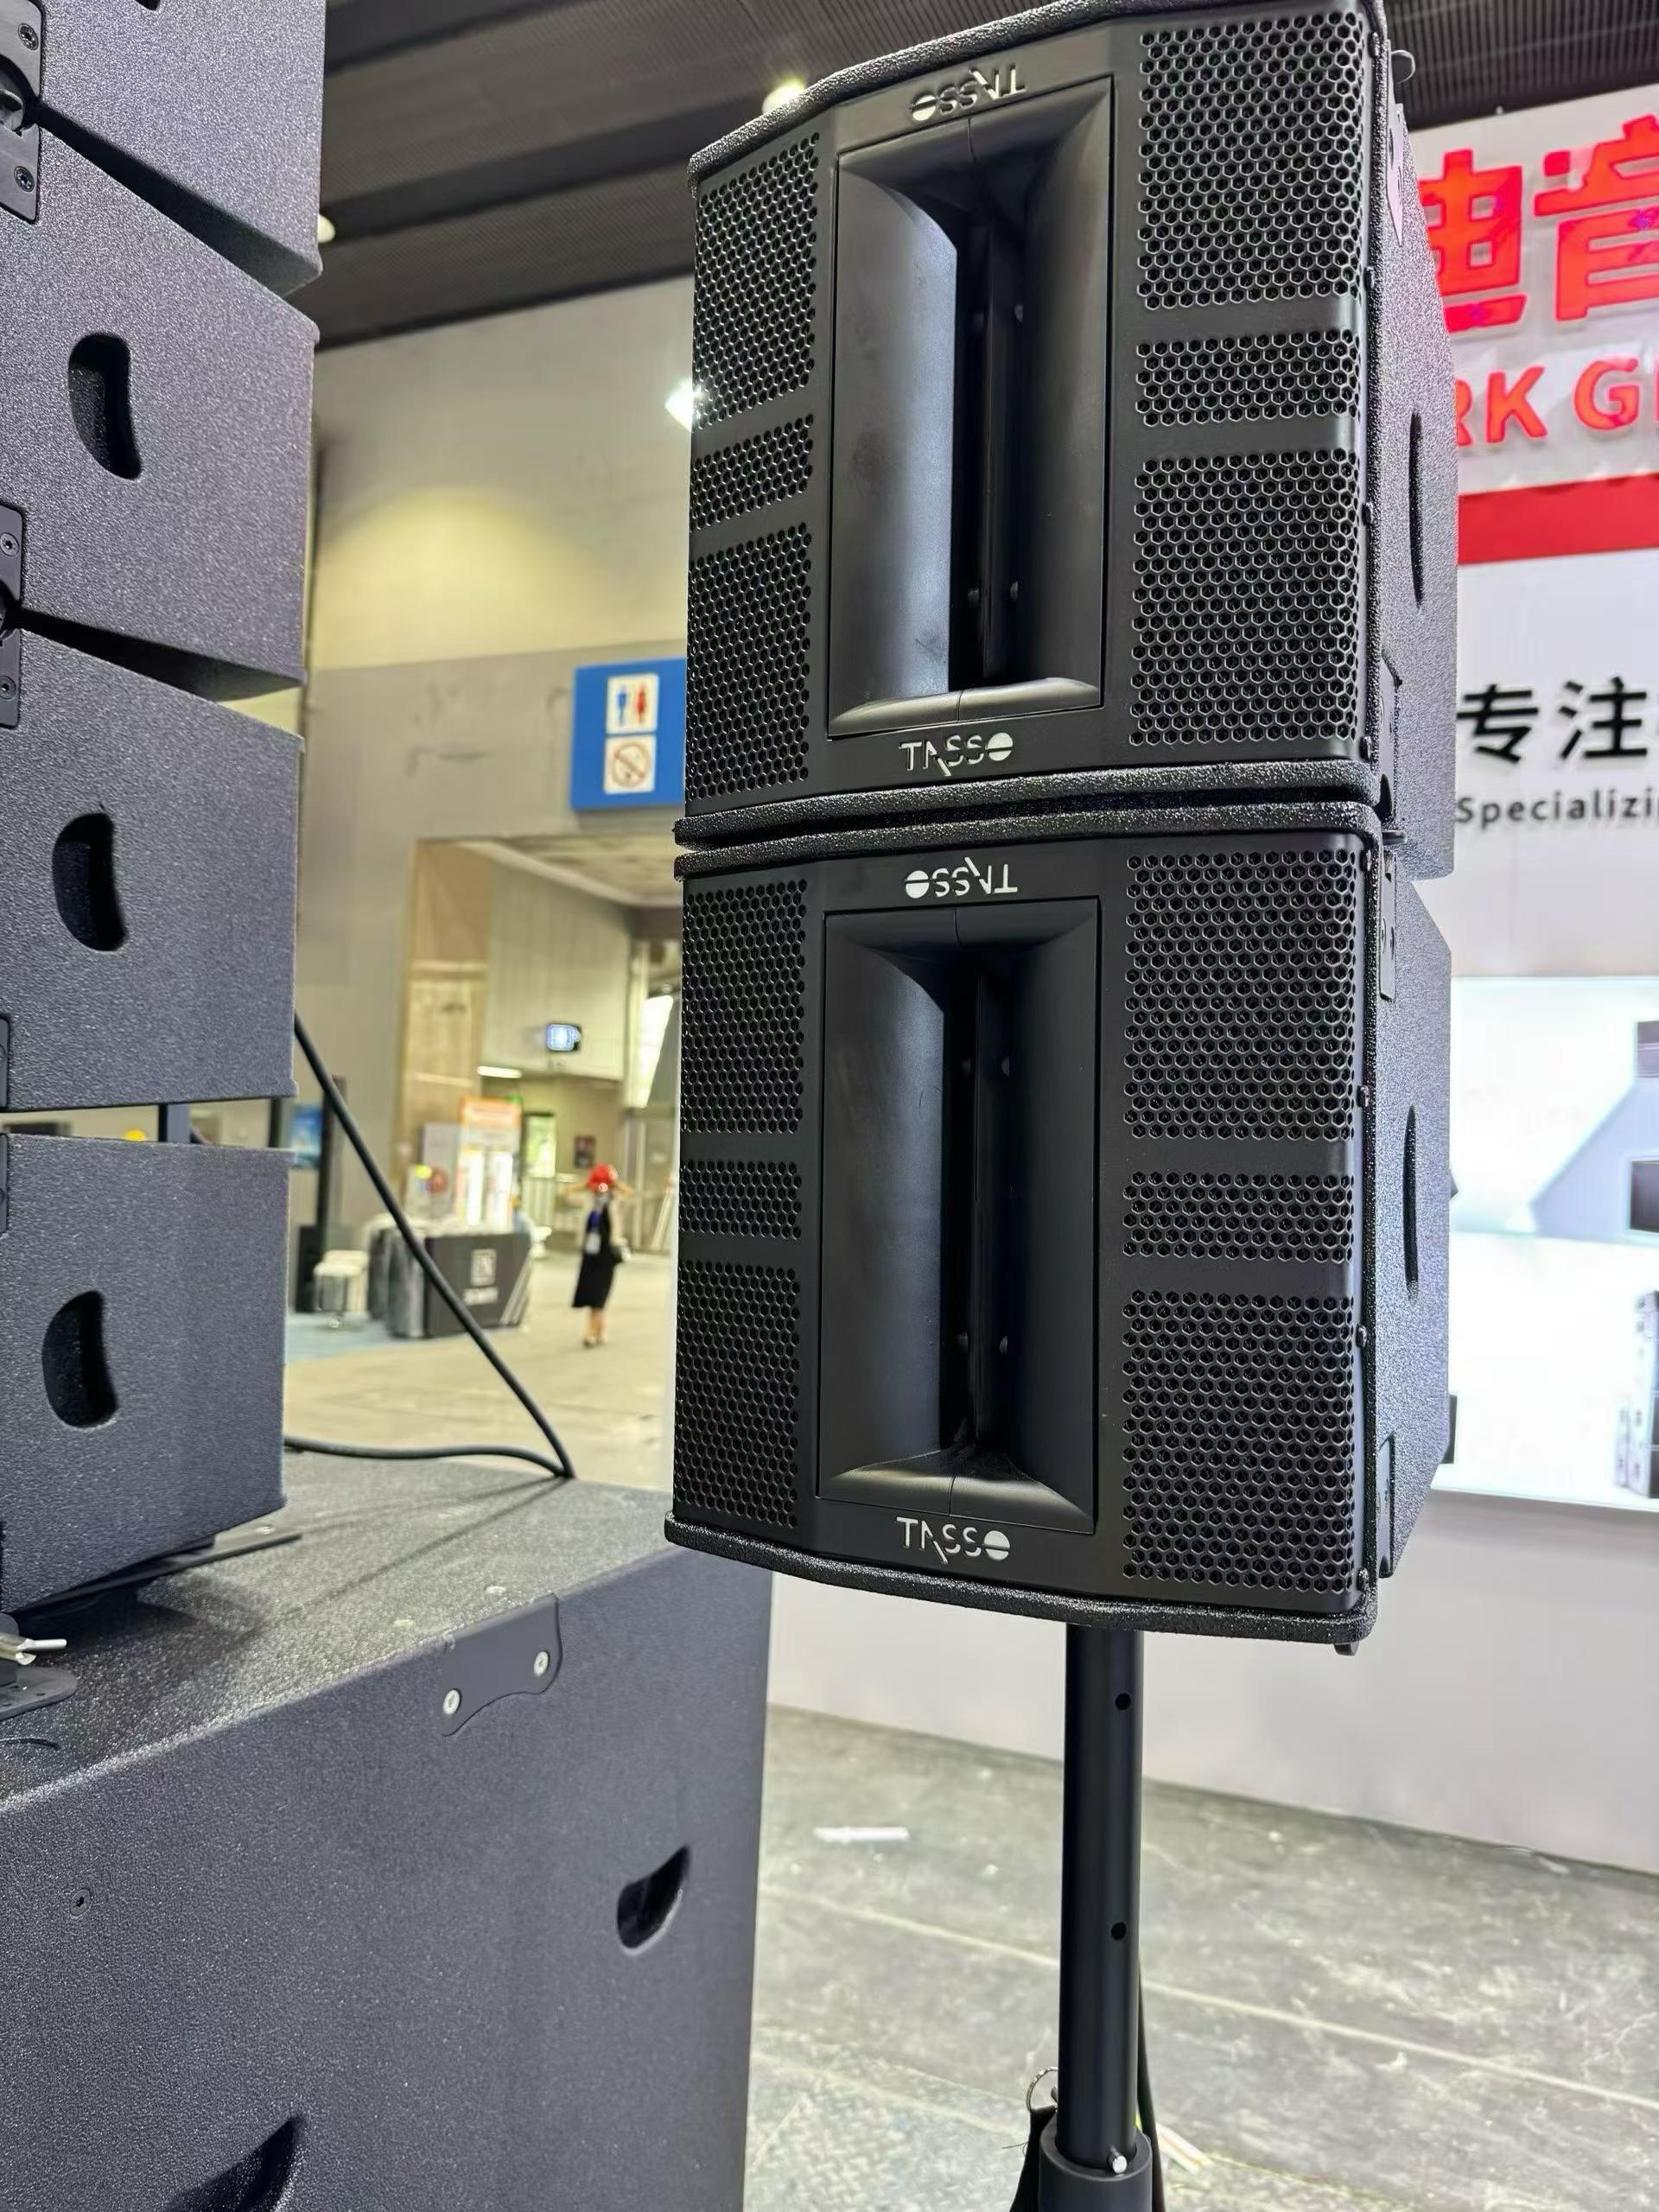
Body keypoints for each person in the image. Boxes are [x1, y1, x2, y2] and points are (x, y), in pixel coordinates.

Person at [572, 1164, 631, 1347]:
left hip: (607, 1256)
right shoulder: (589, 1200)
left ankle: (591, 1332)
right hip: (590, 1255)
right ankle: (599, 1330)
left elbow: (630, 1193)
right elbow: (566, 1193)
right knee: (593, 1296)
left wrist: (614, 1183)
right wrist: (587, 1184)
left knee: (599, 1296)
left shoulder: (615, 1200)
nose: (600, 1189)